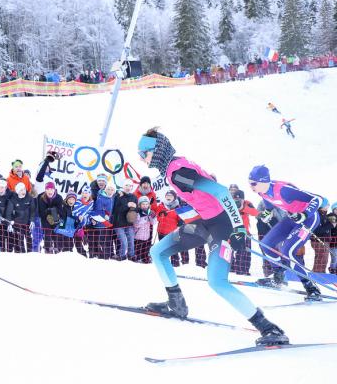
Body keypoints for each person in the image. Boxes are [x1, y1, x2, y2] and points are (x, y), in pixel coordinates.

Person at [138, 128, 288, 346]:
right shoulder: (172, 168)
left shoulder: (176, 171)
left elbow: (222, 192)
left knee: (217, 282)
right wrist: (179, 212)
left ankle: (269, 328)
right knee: (158, 252)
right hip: (205, 223)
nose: (142, 159)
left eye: (144, 153)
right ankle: (176, 304)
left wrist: (238, 228)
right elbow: (199, 201)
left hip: (223, 227)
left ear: (157, 151)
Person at [248, 165, 323, 301]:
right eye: (249, 183)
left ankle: (311, 287)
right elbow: (269, 203)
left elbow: (317, 199)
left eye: (253, 183)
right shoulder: (261, 191)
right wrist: (267, 212)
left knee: (287, 251)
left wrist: (304, 214)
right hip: (291, 218)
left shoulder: (284, 190)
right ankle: (279, 278)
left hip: (309, 219)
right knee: (265, 244)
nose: (251, 186)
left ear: (263, 181)